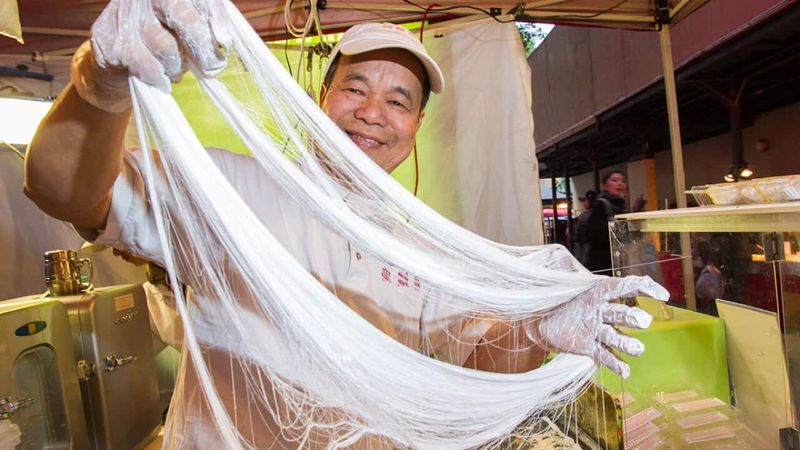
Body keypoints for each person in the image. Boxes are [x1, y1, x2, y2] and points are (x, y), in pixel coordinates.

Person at [24, 2, 657, 446]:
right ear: (322, 101)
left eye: (398, 100)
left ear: (414, 131)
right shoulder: (232, 188)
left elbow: (477, 352)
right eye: (355, 88)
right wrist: (98, 85)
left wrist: (542, 327)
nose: (372, 113)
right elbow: (63, 191)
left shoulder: (423, 244)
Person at [585, 171, 630, 275]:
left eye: (622, 181)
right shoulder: (600, 205)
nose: (619, 183)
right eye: (614, 180)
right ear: (605, 186)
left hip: (620, 258)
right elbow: (593, 233)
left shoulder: (623, 205)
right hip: (603, 261)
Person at [572, 189, 596, 267]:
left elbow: (578, 237)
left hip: (586, 252)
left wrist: (578, 256)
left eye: (585, 201)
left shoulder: (584, 217)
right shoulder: (603, 214)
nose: (584, 203)